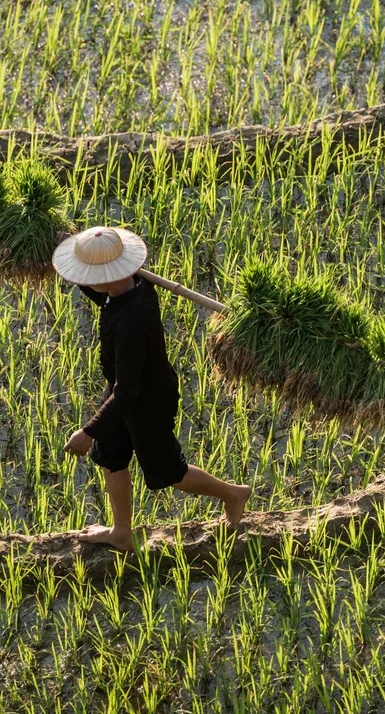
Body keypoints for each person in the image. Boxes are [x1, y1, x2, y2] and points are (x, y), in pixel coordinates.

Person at [53, 225, 251, 551]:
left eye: (89, 273)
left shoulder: (131, 320)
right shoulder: (134, 285)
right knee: (111, 456)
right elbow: (99, 292)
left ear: (107, 276)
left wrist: (88, 431)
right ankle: (121, 532)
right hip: (124, 388)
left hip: (146, 399)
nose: (84, 279)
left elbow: (127, 393)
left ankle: (233, 493)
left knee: (167, 471)